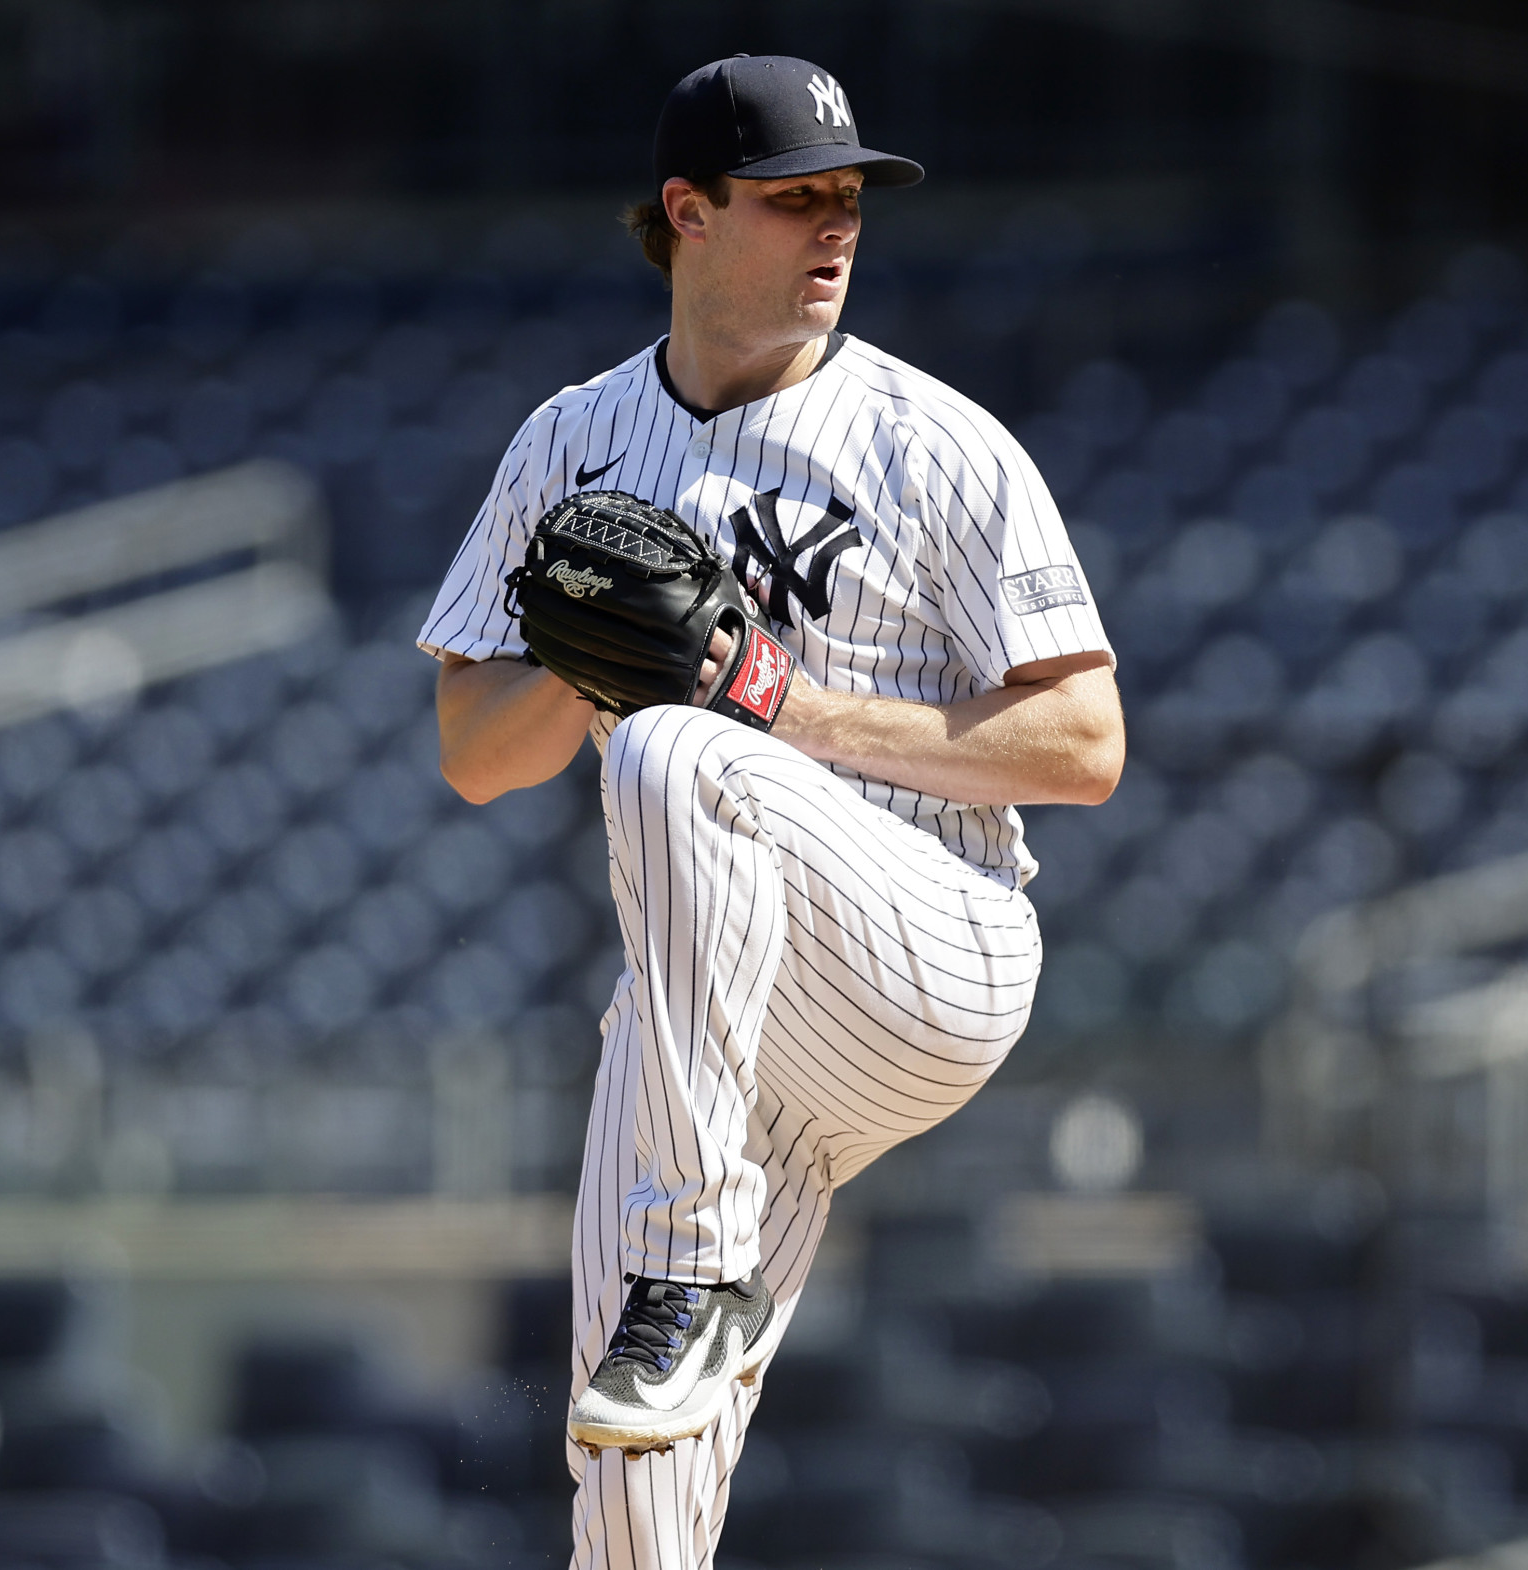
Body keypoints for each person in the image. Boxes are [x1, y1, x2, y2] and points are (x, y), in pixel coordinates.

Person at [418, 53, 1121, 1568]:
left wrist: (769, 699)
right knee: (626, 1443)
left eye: (850, 197)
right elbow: (476, 753)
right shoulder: (572, 443)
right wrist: (571, 655)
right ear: (687, 212)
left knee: (675, 753)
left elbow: (1084, 741)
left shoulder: (935, 443)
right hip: (716, 1006)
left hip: (927, 941)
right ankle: (681, 1301)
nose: (837, 225)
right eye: (796, 196)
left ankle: (687, 1267)